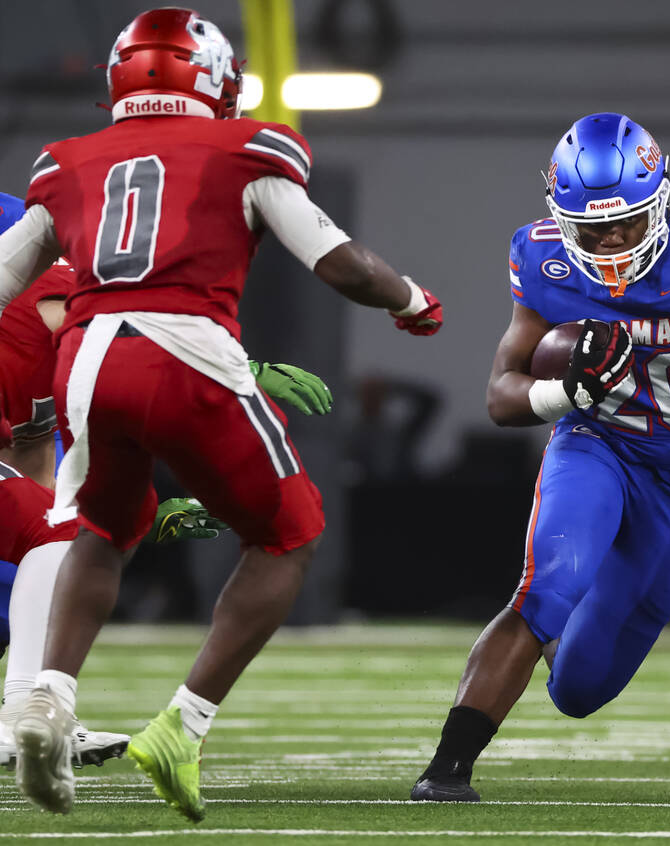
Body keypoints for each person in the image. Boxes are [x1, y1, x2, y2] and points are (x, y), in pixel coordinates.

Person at [0, 7, 442, 820]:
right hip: (186, 348)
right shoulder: (247, 147)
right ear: (214, 82)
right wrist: (411, 299)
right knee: (292, 532)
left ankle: (46, 694)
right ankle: (182, 725)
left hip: (88, 360)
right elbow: (337, 262)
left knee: (106, 527)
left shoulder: (65, 162)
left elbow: (5, 275)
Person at [410, 112, 670, 802]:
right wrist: (566, 391)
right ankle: (448, 768)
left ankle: (561, 633)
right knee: (545, 587)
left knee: (579, 690)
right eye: (592, 227)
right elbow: (501, 396)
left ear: (659, 202)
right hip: (596, 443)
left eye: (627, 223)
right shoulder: (540, 258)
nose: (610, 240)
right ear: (559, 214)